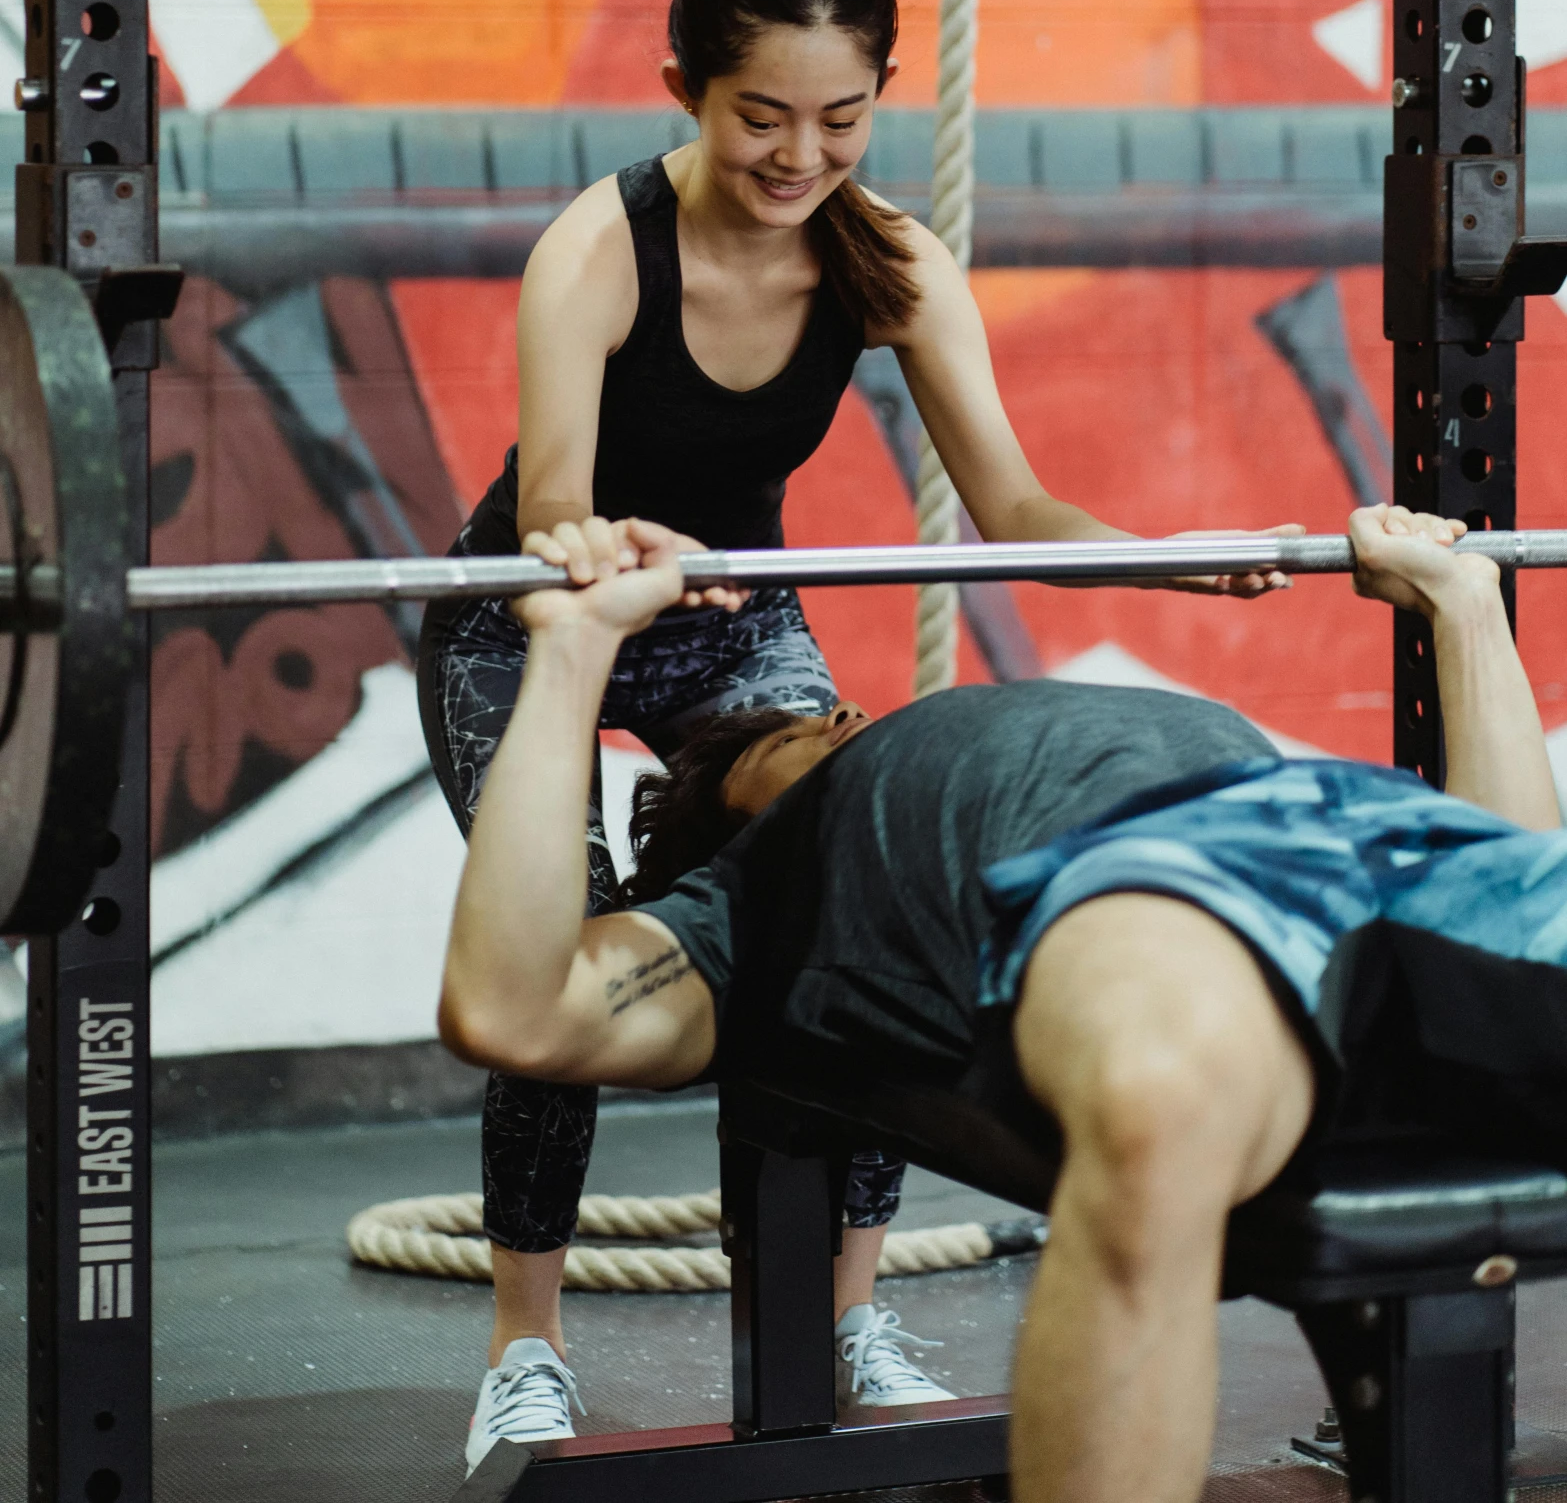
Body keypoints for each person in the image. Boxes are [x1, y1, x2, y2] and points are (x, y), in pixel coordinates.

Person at [418, 0, 1297, 1465]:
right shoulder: (598, 253)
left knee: (849, 899)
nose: (797, 157)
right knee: (559, 937)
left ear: (879, 97)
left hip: (738, 609)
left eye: (839, 117)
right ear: (682, 82)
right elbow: (551, 511)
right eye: (760, 115)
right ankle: (525, 1341)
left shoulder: (885, 259)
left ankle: (847, 1307)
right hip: (538, 612)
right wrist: (600, 562)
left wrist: (1183, 552)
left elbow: (1015, 507)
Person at [440, 503, 1567, 1503]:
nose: (841, 715)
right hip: (1157, 885)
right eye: (792, 736)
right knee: (1158, 1098)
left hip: (1361, 835)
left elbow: (1511, 868)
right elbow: (514, 1010)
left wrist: (1459, 602)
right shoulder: (746, 906)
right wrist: (575, 647)